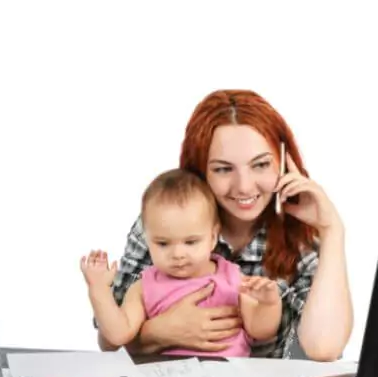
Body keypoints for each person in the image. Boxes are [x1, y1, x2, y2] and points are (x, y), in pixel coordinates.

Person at [92, 89, 353, 361]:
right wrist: (159, 332)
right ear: (200, 170)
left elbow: (324, 348)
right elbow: (110, 339)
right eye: (223, 169)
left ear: (283, 161)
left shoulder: (301, 238)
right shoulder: (167, 223)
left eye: (261, 165)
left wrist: (332, 230)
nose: (244, 186)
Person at [82, 168, 282, 357]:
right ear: (147, 239)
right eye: (162, 243)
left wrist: (269, 303)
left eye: (191, 242)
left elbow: (260, 330)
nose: (177, 254)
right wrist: (98, 290)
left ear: (213, 237)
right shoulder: (144, 287)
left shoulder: (233, 278)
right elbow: (118, 335)